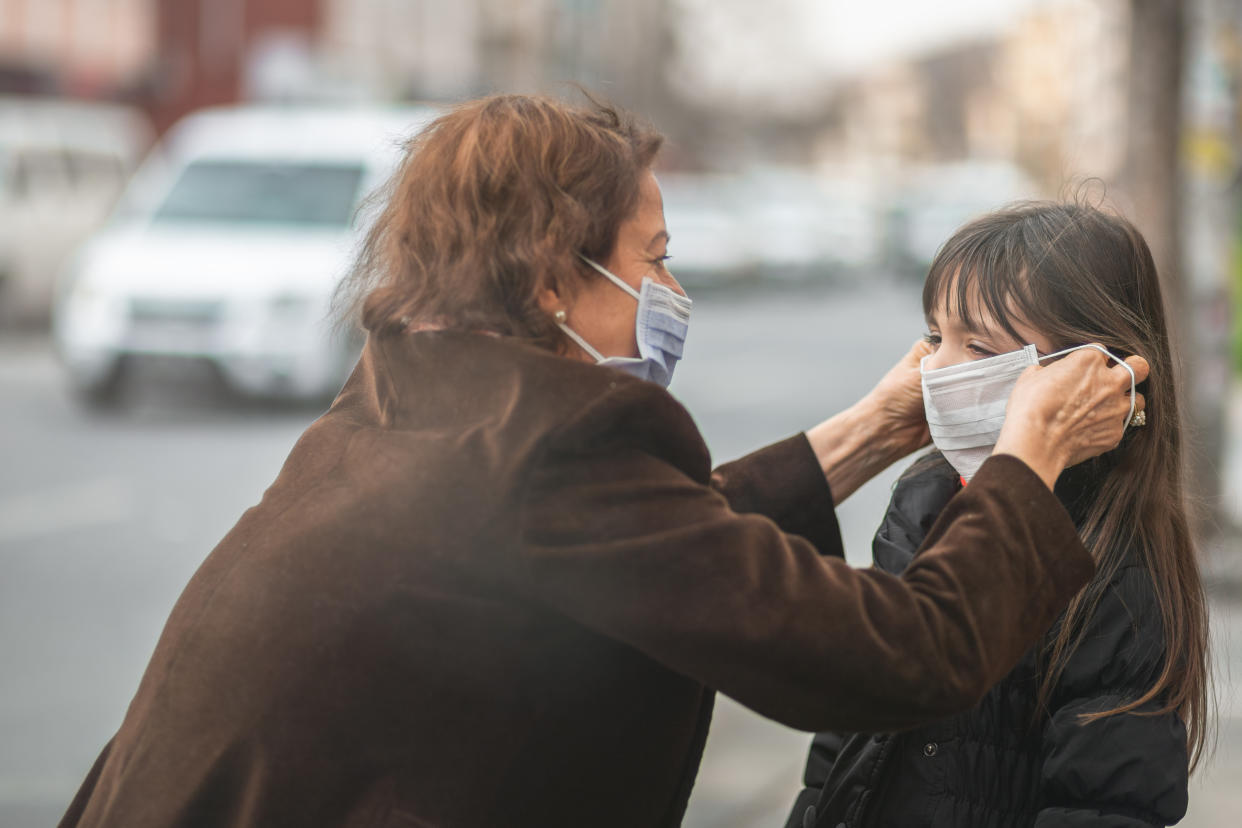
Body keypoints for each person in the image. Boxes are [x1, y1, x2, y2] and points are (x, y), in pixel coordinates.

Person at [60, 97, 1146, 828]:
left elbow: (650, 547)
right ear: (549, 281)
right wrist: (1027, 457)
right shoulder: (557, 456)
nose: (670, 298)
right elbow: (905, 655)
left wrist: (868, 430)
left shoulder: (414, 399)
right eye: (653, 263)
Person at [785, 202, 1209, 828]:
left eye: (979, 346)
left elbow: (1106, 807)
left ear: (1097, 373)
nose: (936, 369)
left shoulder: (1114, 565)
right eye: (935, 337)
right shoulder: (925, 496)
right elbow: (847, 733)